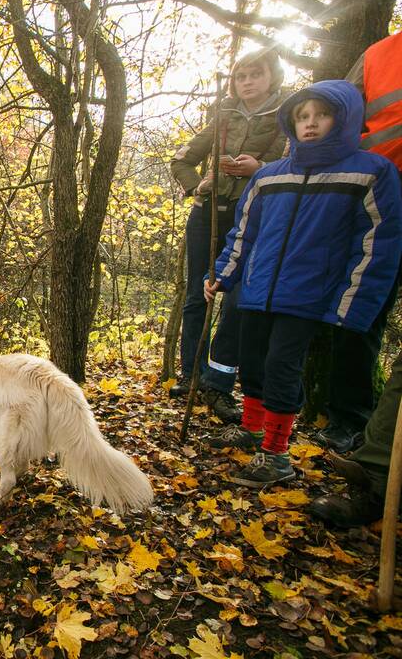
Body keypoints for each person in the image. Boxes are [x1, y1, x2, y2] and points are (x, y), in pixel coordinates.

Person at [203, 80, 402, 489]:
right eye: (302, 116)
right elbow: (243, 233)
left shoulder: (369, 172)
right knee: (253, 361)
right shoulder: (270, 176)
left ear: (344, 119)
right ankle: (253, 428)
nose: (310, 124)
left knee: (281, 367)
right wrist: (222, 275)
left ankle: (276, 455)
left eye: (321, 115)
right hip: (257, 290)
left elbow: (376, 244)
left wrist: (351, 305)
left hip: (308, 296)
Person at [310, 31, 402, 526]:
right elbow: (330, 123)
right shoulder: (379, 56)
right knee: (358, 316)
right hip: (374, 206)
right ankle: (369, 458)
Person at [170, 49, 289, 423]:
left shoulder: (286, 114)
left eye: (256, 75)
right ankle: (190, 376)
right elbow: (181, 159)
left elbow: (294, 161)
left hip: (256, 217)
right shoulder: (221, 114)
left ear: (272, 77)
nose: (247, 82)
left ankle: (219, 385)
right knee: (196, 296)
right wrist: (197, 187)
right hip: (209, 215)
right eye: (241, 76)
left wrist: (261, 169)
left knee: (236, 299)